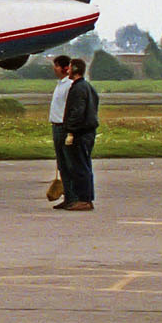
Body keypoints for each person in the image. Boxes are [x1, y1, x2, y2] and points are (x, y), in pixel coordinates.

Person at [61, 57, 100, 211]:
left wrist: (70, 129)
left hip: (80, 133)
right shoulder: (88, 87)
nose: (67, 70)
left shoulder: (77, 88)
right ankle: (85, 198)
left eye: (69, 67)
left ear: (75, 69)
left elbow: (77, 111)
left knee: (80, 167)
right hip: (88, 132)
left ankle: (84, 199)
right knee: (84, 165)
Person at [49, 54, 75, 209]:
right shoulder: (60, 84)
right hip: (56, 126)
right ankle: (68, 196)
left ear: (65, 68)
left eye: (56, 66)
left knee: (67, 163)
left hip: (63, 127)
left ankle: (72, 196)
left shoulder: (69, 85)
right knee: (61, 164)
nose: (54, 68)